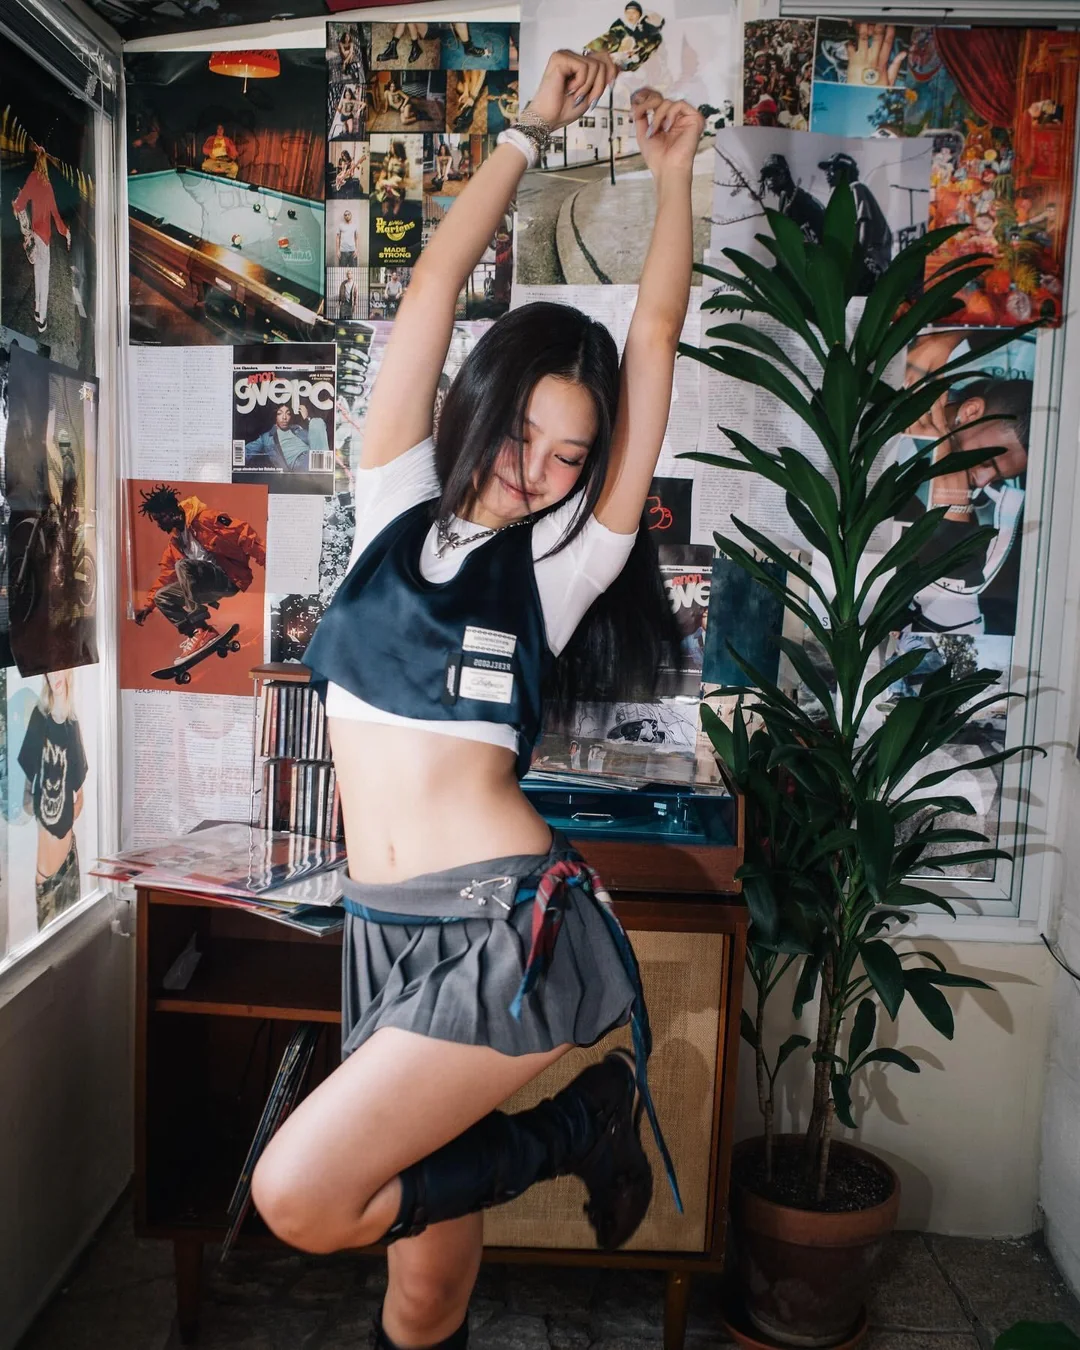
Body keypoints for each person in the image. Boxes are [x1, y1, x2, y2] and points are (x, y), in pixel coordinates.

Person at [252, 50, 702, 1350]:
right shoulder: (393, 498)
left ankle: (584, 1125)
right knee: (422, 1286)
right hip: (383, 931)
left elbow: (653, 340)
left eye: (571, 456)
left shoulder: (562, 565)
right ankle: (572, 1134)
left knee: (299, 1196)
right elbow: (433, 287)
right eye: (521, 436)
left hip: (506, 926)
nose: (537, 470)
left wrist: (673, 177)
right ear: (482, 404)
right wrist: (524, 131)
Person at [133, 484, 266, 664]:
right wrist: (148, 607)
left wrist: (268, 561)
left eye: (160, 519)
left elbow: (244, 533)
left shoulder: (206, 519)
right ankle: (199, 632)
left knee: (183, 565)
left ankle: (199, 625)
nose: (159, 525)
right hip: (203, 587)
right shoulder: (175, 543)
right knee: (162, 596)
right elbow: (165, 577)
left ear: (172, 512)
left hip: (227, 579)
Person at [19, 669, 87, 929]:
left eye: (60, 669)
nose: (54, 676)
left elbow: (80, 796)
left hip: (69, 858)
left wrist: (65, 818)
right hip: (47, 873)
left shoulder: (72, 724)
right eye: (49, 671)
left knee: (75, 940)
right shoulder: (40, 718)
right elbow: (26, 792)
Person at [12, 145, 71, 335]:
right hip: (45, 237)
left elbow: (20, 203)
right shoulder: (48, 185)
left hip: (35, 232)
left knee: (38, 273)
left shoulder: (32, 178)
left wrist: (16, 204)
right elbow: (55, 214)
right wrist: (65, 232)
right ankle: (42, 319)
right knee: (44, 276)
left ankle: (38, 309)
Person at [818, 152, 892, 293]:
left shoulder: (855, 188)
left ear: (845, 171)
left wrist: (857, 260)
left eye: (832, 169)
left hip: (871, 262)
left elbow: (865, 223)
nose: (827, 174)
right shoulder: (845, 197)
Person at [759, 153, 825, 243]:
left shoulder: (792, 196)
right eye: (767, 174)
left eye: (775, 172)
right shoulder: (788, 196)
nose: (771, 178)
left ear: (785, 174)